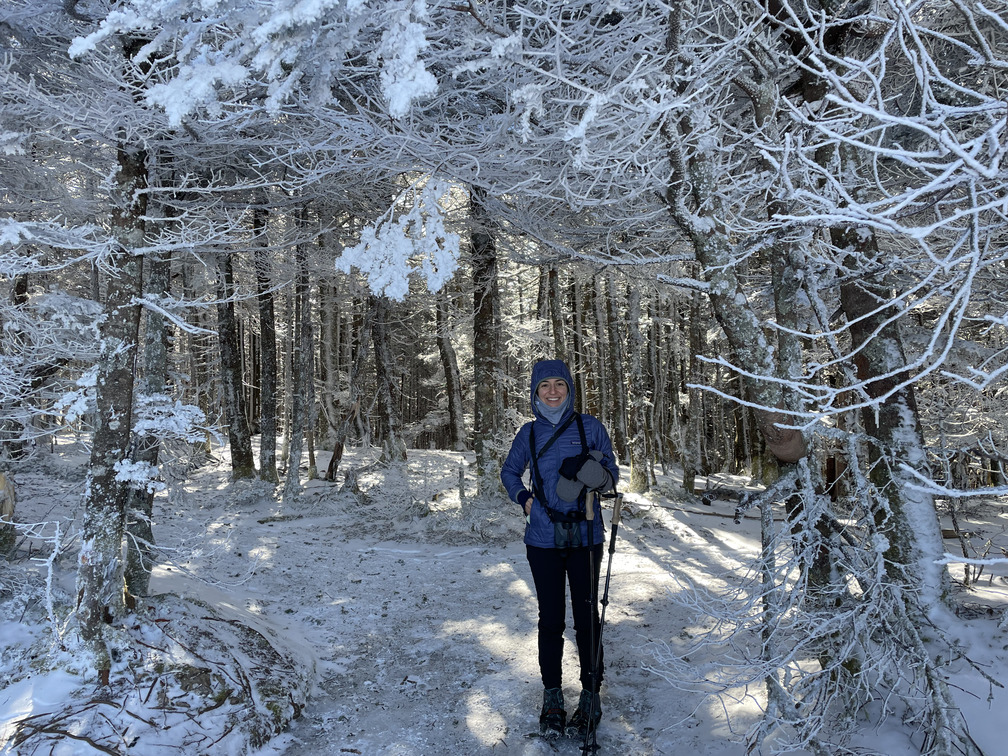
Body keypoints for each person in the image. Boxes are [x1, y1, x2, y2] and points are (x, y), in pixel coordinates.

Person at [500, 358, 619, 738]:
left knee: (587, 619)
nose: (553, 392)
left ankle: (590, 695)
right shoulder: (529, 434)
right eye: (545, 385)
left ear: (569, 389)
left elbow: (611, 477)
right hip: (543, 539)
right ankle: (552, 696)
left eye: (560, 385)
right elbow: (508, 472)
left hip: (586, 536)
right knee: (551, 620)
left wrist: (596, 475)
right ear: (535, 392)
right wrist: (524, 498)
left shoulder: (590, 428)